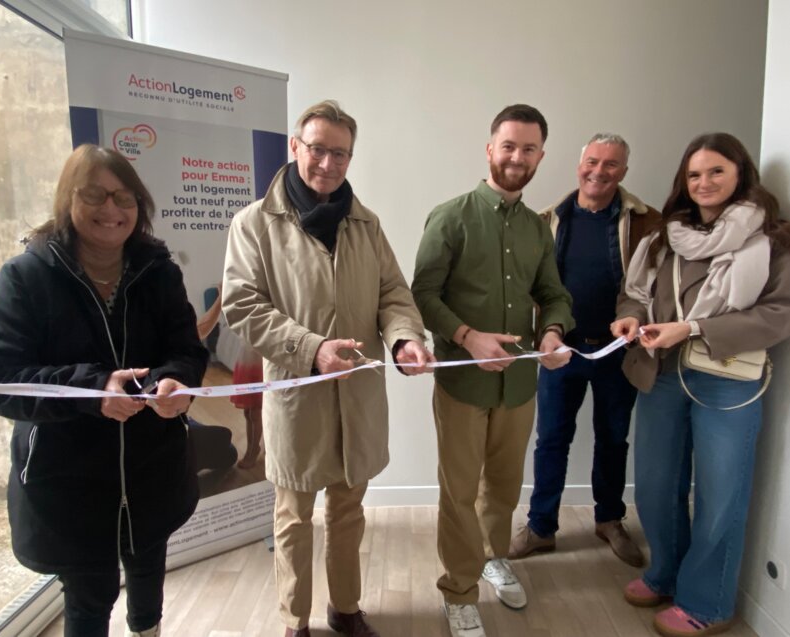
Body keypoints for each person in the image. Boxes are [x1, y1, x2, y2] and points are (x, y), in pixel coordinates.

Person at [0, 144, 208, 637]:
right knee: (89, 598)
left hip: (154, 470)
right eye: (94, 194)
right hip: (70, 485)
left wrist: (178, 382)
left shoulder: (160, 273)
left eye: (125, 197)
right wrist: (92, 389)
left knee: (148, 574)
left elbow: (187, 350)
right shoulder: (25, 279)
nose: (111, 210)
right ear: (67, 200)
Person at [222, 99, 434, 637]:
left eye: (341, 153)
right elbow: (242, 305)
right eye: (318, 149)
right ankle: (295, 621)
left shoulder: (366, 224)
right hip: (299, 398)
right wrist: (310, 347)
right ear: (295, 147)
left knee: (348, 513)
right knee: (294, 518)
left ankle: (345, 608)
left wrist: (405, 339)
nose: (328, 163)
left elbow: (393, 293)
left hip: (358, 399)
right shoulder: (254, 224)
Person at [610, 132, 790, 637]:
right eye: (694, 174)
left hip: (728, 381)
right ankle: (665, 574)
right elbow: (633, 295)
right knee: (656, 484)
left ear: (741, 176)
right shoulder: (664, 237)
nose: (704, 182)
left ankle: (707, 603)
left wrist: (694, 329)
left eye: (716, 172)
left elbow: (779, 314)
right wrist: (630, 320)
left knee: (719, 495)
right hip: (661, 372)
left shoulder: (771, 242)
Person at [411, 104, 574, 637]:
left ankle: (493, 557)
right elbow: (423, 294)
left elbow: (553, 295)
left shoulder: (537, 228)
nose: (517, 157)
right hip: (462, 381)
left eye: (528, 149)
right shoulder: (451, 216)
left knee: (502, 486)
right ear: (489, 149)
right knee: (458, 491)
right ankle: (459, 592)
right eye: (508, 146)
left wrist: (552, 332)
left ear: (540, 157)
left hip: (520, 385)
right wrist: (466, 336)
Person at [509, 133, 660, 567]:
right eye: (592, 161)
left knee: (613, 439)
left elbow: (653, 288)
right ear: (579, 165)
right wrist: (541, 337)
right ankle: (541, 527)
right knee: (551, 440)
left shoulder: (648, 221)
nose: (599, 170)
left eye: (611, 164)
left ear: (624, 173)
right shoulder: (547, 220)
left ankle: (609, 520)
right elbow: (532, 289)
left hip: (618, 353)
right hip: (561, 351)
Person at [230, 343, 264, 469]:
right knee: (248, 411)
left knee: (256, 411)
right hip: (248, 355)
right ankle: (252, 447)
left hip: (263, 356)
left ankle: (253, 449)